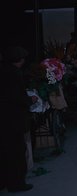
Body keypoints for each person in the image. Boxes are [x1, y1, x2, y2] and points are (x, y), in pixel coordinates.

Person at [0, 46, 35, 192]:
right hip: (13, 117)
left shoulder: (3, 70)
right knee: (16, 151)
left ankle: (5, 181)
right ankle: (16, 183)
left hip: (4, 117)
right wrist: (30, 100)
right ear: (20, 60)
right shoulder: (15, 74)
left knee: (5, 151)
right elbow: (17, 97)